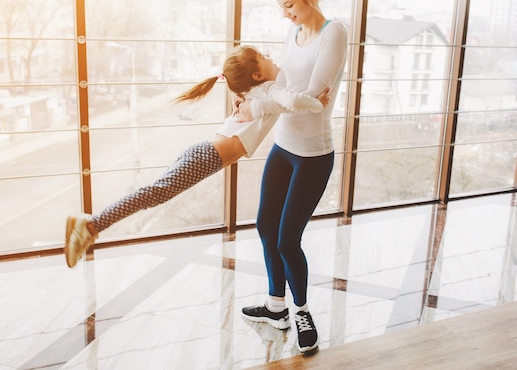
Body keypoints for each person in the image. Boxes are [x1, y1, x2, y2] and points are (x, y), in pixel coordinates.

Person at [64, 45, 330, 268]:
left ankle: (91, 226)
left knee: (154, 193)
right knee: (154, 193)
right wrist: (318, 102)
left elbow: (284, 97)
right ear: (258, 74)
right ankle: (90, 224)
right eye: (264, 56)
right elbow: (292, 101)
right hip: (207, 156)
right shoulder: (267, 91)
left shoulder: (255, 91)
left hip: (204, 153)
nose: (272, 56)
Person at [239, 0, 348, 354]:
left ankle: (301, 311)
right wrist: (253, 97)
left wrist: (272, 101)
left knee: (287, 239)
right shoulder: (294, 32)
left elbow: (312, 100)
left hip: (313, 155)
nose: (286, 13)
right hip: (283, 146)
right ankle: (275, 306)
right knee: (266, 226)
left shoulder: (333, 32)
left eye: (290, 4)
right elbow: (288, 89)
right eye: (281, 6)